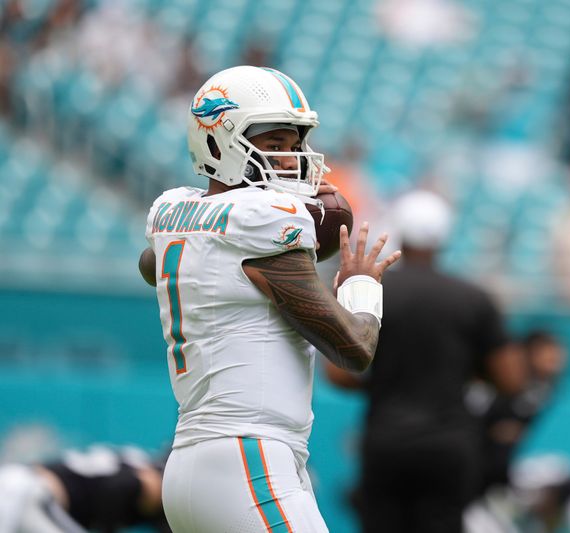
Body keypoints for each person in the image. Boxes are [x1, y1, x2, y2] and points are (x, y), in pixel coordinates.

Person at [139, 65, 400, 533]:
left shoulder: (175, 215)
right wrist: (361, 287)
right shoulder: (259, 218)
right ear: (218, 143)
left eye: (295, 145)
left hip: (191, 464)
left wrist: (300, 250)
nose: (290, 159)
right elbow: (355, 349)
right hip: (247, 454)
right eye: (274, 144)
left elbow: (154, 264)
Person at [326, 190, 525, 533]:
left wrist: (382, 382)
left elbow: (338, 374)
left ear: (401, 232)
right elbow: (512, 380)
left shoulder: (377, 290)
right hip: (450, 442)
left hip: (386, 438)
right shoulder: (473, 298)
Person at [466, 330, 568, 494]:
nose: (554, 357)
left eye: (556, 352)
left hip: (529, 465)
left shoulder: (553, 392)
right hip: (491, 469)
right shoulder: (491, 392)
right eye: (546, 351)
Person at [0, 444, 168, 533]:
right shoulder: (155, 478)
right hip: (28, 493)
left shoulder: (135, 459)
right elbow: (121, 486)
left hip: (16, 484)